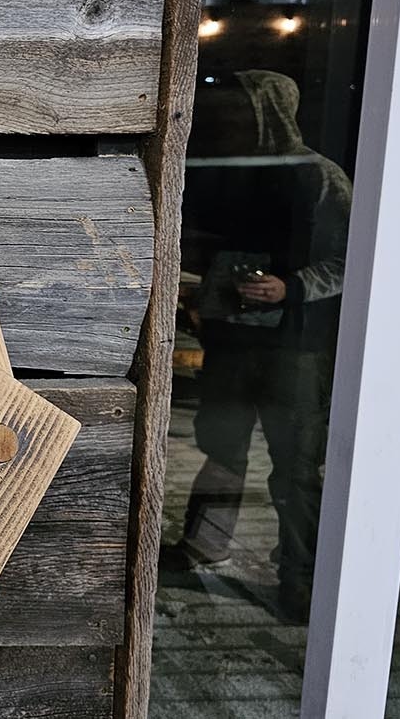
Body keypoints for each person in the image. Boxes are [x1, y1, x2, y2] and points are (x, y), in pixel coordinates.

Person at [162, 69, 352, 623]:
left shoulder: (320, 178)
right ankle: (204, 544)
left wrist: (290, 288)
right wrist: (201, 293)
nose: (234, 122)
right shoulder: (234, 173)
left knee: (294, 467)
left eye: (244, 111)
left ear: (270, 110)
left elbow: (351, 257)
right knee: (221, 450)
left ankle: (301, 581)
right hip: (233, 342)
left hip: (295, 349)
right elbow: (208, 244)